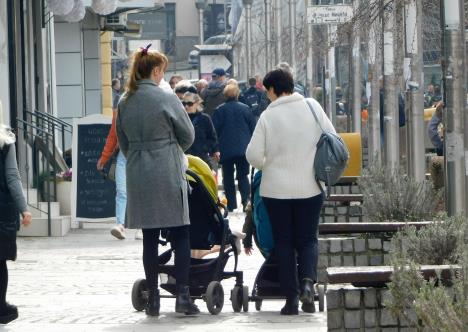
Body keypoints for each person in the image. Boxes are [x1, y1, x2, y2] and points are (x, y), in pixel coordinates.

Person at [115, 45, 199, 316]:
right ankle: (183, 296)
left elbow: (123, 141)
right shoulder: (166, 97)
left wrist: (140, 154)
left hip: (139, 173)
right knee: (181, 232)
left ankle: (153, 298)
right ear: (155, 70)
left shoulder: (125, 101)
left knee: (149, 237)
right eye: (162, 70)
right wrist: (170, 149)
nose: (163, 75)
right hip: (166, 169)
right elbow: (187, 135)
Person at [246, 68, 336, 315]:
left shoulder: (267, 117)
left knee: (283, 242)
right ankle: (308, 282)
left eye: (267, 92)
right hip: (310, 186)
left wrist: (270, 164)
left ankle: (291, 299)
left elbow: (253, 155)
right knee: (308, 239)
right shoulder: (312, 107)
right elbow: (332, 136)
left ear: (273, 89)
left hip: (276, 191)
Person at [97, 79, 144, 240]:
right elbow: (112, 135)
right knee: (122, 191)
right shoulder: (119, 111)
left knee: (139, 192)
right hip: (123, 156)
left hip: (140, 155)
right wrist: (104, 157)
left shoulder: (145, 110)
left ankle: (141, 227)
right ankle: (120, 224)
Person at [0, 101, 32, 324]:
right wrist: (24, 208)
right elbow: (12, 177)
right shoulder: (4, 141)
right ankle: (0, 307)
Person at [212, 84, 256, 212]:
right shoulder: (245, 109)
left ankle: (231, 204)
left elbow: (215, 131)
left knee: (228, 177)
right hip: (243, 149)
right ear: (237, 94)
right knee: (243, 175)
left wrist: (216, 147)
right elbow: (253, 128)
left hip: (226, 149)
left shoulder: (219, 110)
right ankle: (245, 201)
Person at [182, 91, 220, 168]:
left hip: (201, 159)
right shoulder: (180, 119)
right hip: (184, 160)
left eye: (189, 104)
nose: (186, 106)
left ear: (196, 103)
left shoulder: (205, 118)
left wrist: (205, 148)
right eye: (184, 103)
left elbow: (212, 137)